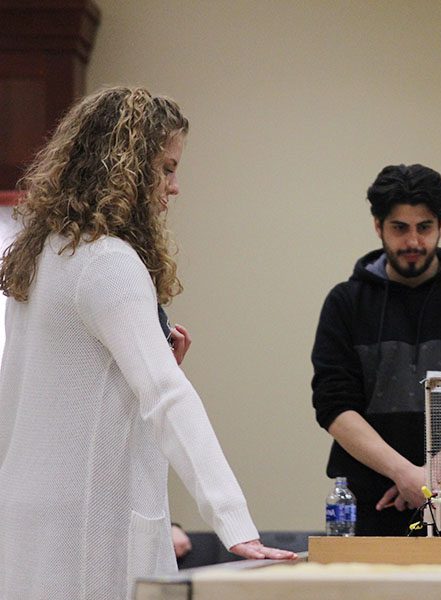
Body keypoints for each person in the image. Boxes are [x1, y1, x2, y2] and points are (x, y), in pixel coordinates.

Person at [0, 87, 295, 600]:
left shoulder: (44, 255)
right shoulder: (107, 261)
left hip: (30, 521)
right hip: (88, 529)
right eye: (166, 168)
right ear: (127, 170)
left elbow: (37, 396)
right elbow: (166, 396)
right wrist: (235, 524)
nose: (174, 186)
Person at [312, 163, 441, 536]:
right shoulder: (345, 303)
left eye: (424, 227)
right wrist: (403, 473)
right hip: (372, 504)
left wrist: (428, 477)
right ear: (378, 226)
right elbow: (333, 405)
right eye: (399, 228)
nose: (413, 242)